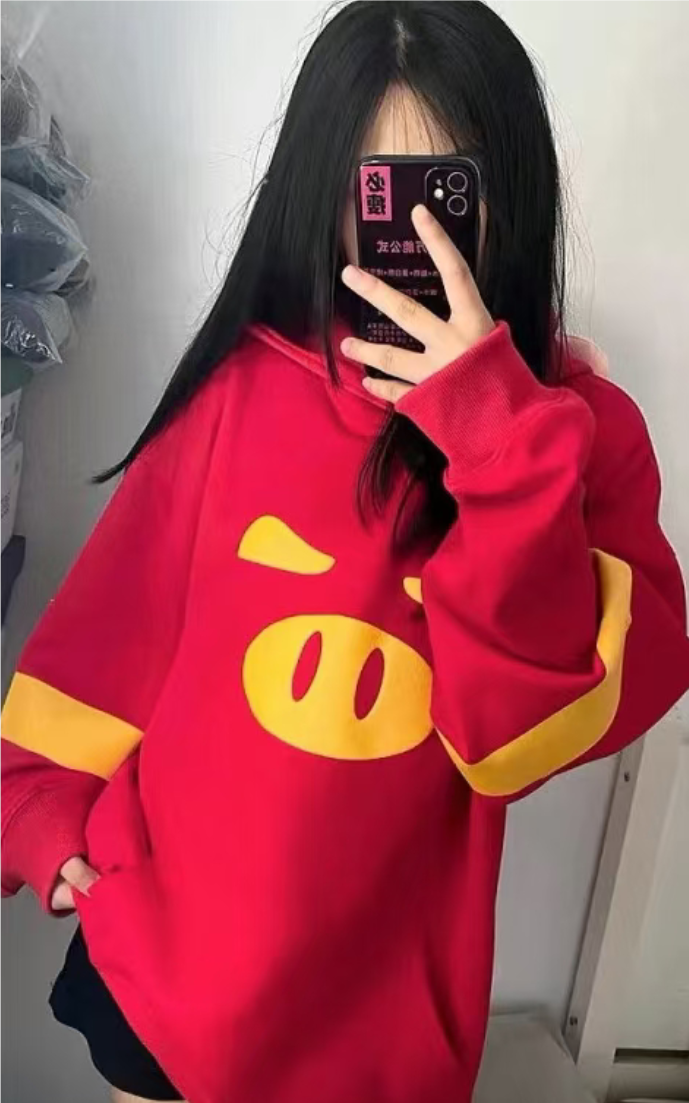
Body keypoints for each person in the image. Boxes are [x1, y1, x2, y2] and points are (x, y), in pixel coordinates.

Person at [2, 1, 689, 1101]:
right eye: (379, 193)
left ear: (510, 193)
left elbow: (513, 743)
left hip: (377, 1019)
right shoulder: (237, 393)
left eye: (445, 192)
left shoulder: (579, 438)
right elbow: (118, 626)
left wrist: (500, 442)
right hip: (161, 974)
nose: (412, 235)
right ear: (321, 194)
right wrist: (34, 798)